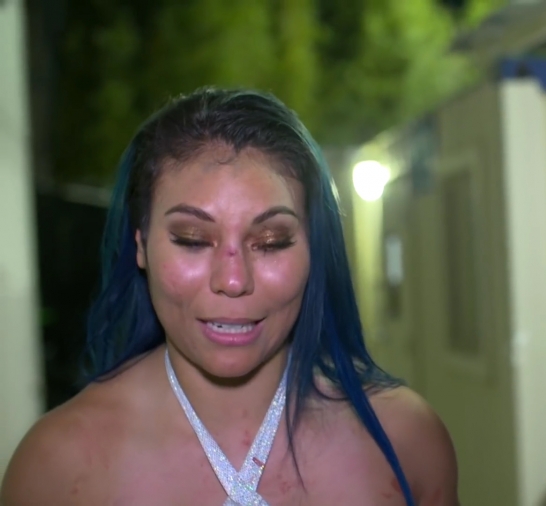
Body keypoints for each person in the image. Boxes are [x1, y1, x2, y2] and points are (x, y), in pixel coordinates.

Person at [0, 88, 459, 505]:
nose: (234, 280)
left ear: (315, 250)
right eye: (193, 239)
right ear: (140, 245)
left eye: (271, 242)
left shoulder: (407, 442)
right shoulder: (57, 468)